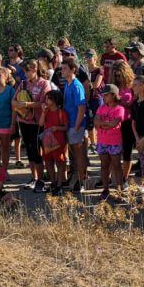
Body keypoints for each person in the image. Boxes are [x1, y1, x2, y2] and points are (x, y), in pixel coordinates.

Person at [15, 59, 53, 191]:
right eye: (25, 70)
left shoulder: (44, 83)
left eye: (28, 70)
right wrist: (18, 106)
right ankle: (34, 178)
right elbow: (14, 100)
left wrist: (26, 104)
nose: (26, 73)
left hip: (38, 123)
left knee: (37, 151)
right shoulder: (23, 84)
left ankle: (41, 180)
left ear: (35, 69)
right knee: (30, 151)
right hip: (24, 121)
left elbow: (44, 102)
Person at [60, 58, 88, 191]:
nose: (62, 70)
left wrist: (76, 127)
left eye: (65, 68)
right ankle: (75, 178)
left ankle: (82, 181)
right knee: (73, 155)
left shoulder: (77, 85)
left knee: (79, 154)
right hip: (69, 123)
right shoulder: (67, 83)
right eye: (62, 68)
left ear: (73, 70)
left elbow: (81, 108)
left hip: (76, 124)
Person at [95, 84, 126, 200]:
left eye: (106, 95)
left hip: (114, 141)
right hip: (102, 141)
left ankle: (119, 190)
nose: (104, 97)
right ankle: (105, 189)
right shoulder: (101, 108)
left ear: (114, 95)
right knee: (104, 165)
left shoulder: (120, 109)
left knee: (117, 166)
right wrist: (107, 125)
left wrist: (102, 124)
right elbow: (96, 121)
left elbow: (115, 123)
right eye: (103, 95)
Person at [39, 90, 68, 194]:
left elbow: (66, 127)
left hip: (59, 141)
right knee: (49, 162)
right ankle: (53, 182)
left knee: (60, 162)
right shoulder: (46, 111)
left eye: (48, 98)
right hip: (47, 141)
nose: (46, 100)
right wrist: (43, 112)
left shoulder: (61, 112)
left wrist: (57, 128)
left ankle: (59, 185)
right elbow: (41, 123)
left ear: (55, 100)